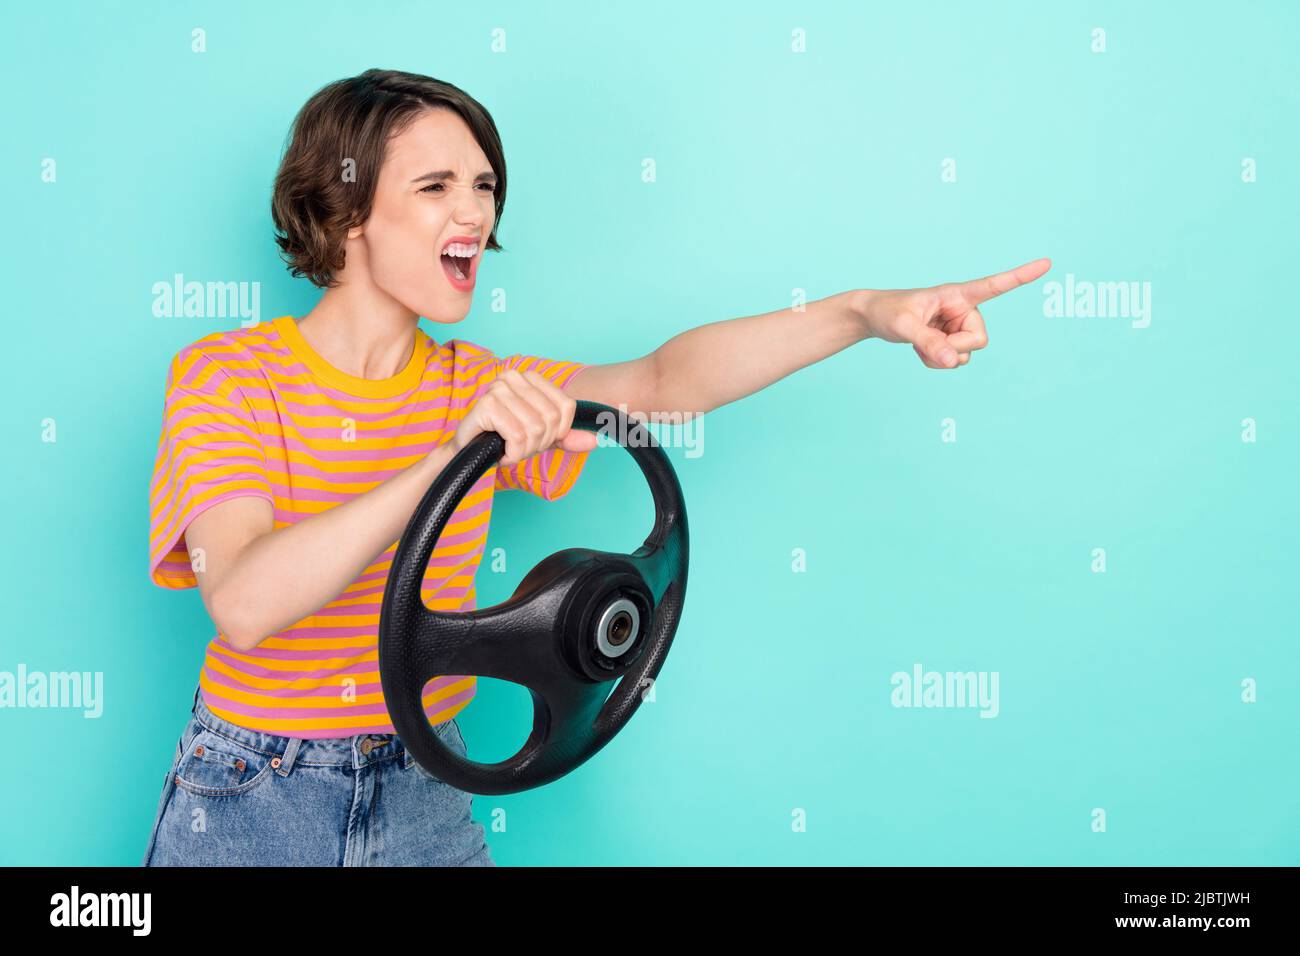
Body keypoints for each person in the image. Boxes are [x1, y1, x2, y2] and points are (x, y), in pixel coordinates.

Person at [143, 67, 1050, 867]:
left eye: (485, 185)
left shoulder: (483, 383)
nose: (476, 211)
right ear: (345, 216)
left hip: (428, 775)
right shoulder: (229, 376)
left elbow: (660, 380)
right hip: (254, 789)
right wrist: (454, 457)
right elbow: (245, 602)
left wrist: (864, 313)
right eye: (436, 186)